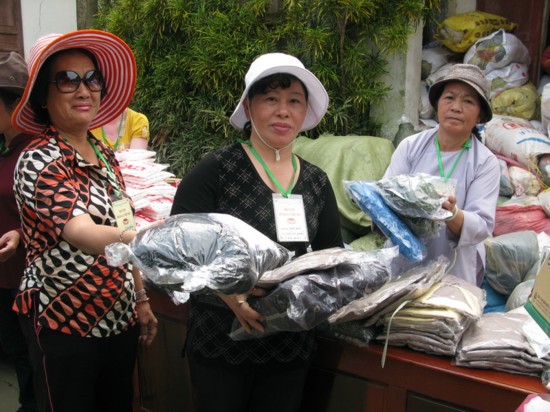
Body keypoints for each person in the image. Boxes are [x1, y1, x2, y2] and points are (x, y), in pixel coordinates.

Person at [170, 52, 343, 412]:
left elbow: (331, 255)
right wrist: (231, 294)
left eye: (294, 101)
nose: (283, 111)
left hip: (290, 346)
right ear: (248, 106)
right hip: (222, 341)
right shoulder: (217, 169)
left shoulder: (315, 181)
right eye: (271, 99)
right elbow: (176, 250)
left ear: (305, 111)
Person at [10, 30, 158, 412]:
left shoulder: (105, 154)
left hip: (118, 319)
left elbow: (123, 220)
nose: (83, 90)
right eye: (67, 80)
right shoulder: (38, 159)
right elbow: (82, 231)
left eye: (92, 79)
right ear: (42, 96)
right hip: (64, 323)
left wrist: (140, 297)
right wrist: (154, 238)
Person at [383, 63, 500, 286]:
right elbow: (386, 197)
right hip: (404, 262)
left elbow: (481, 225)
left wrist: (452, 214)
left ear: (480, 116)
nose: (456, 107)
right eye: (449, 98)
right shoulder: (410, 147)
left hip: (454, 267)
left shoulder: (485, 163)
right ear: (437, 105)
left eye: (468, 101)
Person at [0, 51, 37, 412]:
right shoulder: (5, 146)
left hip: (28, 275)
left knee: (31, 356)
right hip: (4, 274)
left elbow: (59, 214)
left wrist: (21, 234)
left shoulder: (36, 152)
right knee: (14, 349)